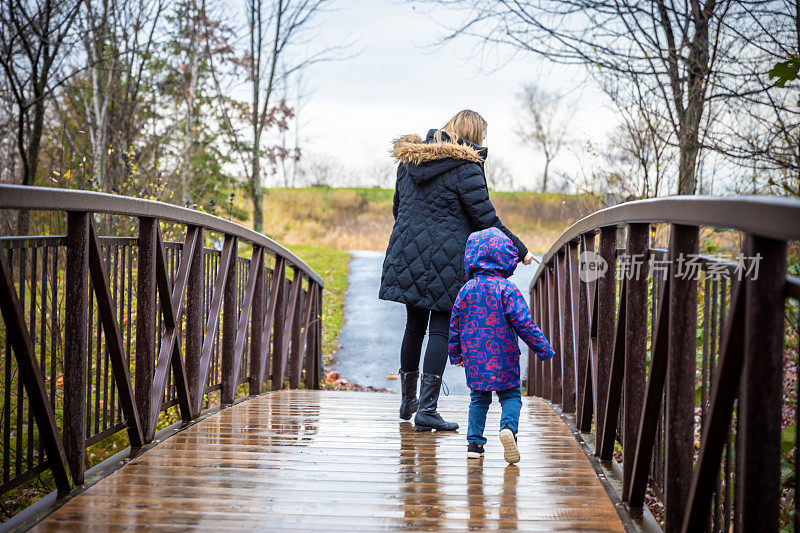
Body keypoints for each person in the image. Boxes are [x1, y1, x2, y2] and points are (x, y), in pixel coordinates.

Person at [379, 110, 535, 432]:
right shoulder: (467, 168)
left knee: (413, 325)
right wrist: (520, 249)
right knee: (439, 327)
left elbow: (398, 208)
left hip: (408, 250)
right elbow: (486, 220)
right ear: (474, 135)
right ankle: (427, 409)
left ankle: (408, 402)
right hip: (447, 257)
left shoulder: (409, 161)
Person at [448, 227, 554, 462]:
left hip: (475, 358)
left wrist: (455, 355)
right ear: (506, 257)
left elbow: (454, 325)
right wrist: (542, 348)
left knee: (478, 398)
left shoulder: (465, 291)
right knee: (510, 396)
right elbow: (524, 323)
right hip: (504, 356)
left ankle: (474, 445)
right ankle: (508, 429)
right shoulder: (507, 289)